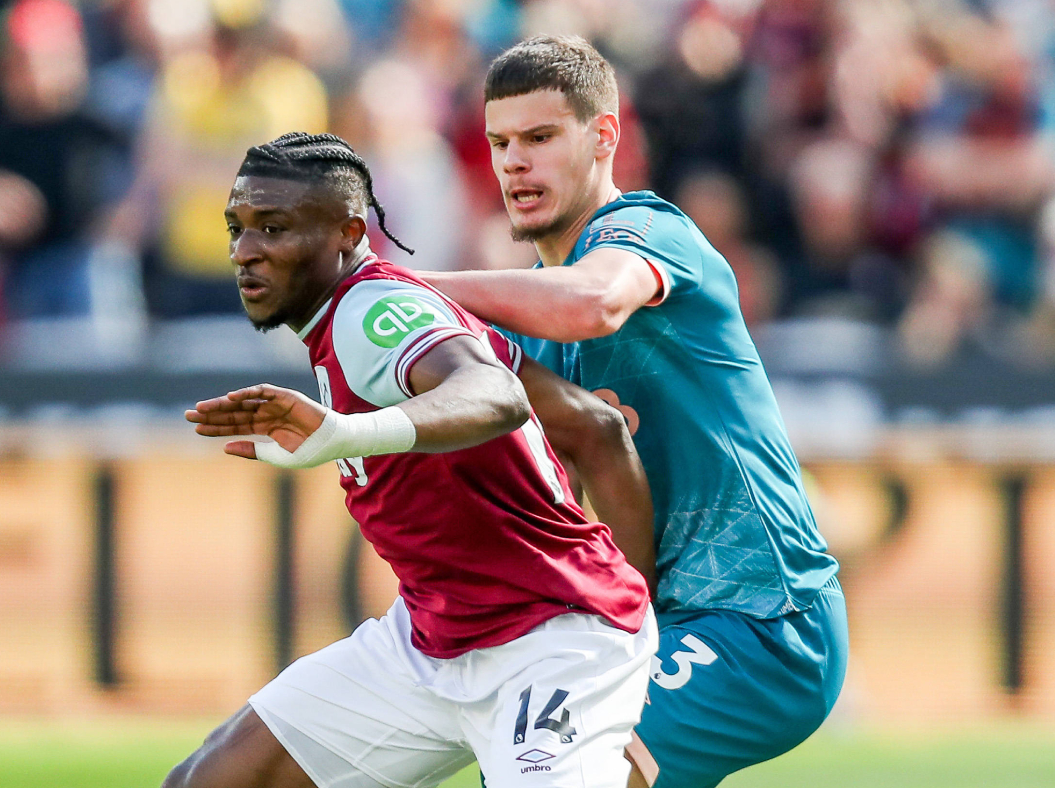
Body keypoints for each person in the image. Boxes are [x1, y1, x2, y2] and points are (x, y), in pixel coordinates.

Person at [419, 36, 849, 788]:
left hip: (762, 621)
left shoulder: (650, 232)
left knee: (560, 775)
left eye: (540, 137)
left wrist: (404, 285)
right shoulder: (530, 323)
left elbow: (593, 301)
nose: (514, 162)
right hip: (655, 624)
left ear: (605, 137)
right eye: (500, 143)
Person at [172, 132, 658, 788]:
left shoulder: (370, 310)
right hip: (432, 639)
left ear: (348, 233)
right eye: (238, 228)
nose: (244, 251)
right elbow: (596, 427)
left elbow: (494, 395)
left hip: (549, 641)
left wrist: (348, 434)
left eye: (274, 228)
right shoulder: (366, 311)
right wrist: (638, 632)